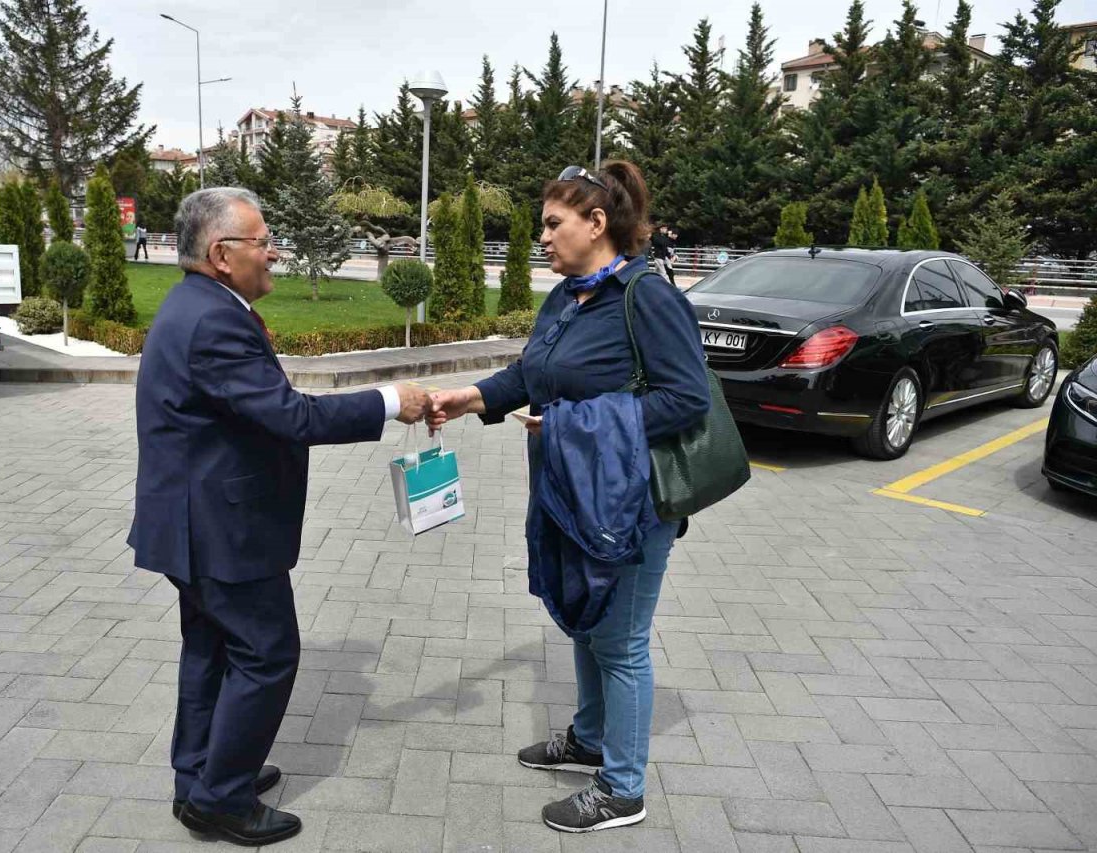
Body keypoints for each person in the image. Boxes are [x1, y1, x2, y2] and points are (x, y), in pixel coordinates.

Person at [128, 187, 431, 847]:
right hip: (219, 530)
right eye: (263, 241)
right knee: (267, 653)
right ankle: (221, 799)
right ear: (221, 254)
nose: (275, 252)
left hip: (198, 521)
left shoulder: (198, 304)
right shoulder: (213, 319)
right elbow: (290, 415)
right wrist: (389, 399)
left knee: (212, 649)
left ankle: (202, 777)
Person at [427, 161, 709, 834]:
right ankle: (589, 739)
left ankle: (623, 786)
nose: (542, 239)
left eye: (553, 224)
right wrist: (471, 398)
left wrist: (575, 424)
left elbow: (687, 398)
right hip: (572, 491)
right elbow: (533, 370)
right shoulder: (568, 296)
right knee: (585, 619)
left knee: (621, 639)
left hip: (630, 500)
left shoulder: (645, 296)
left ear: (597, 223)